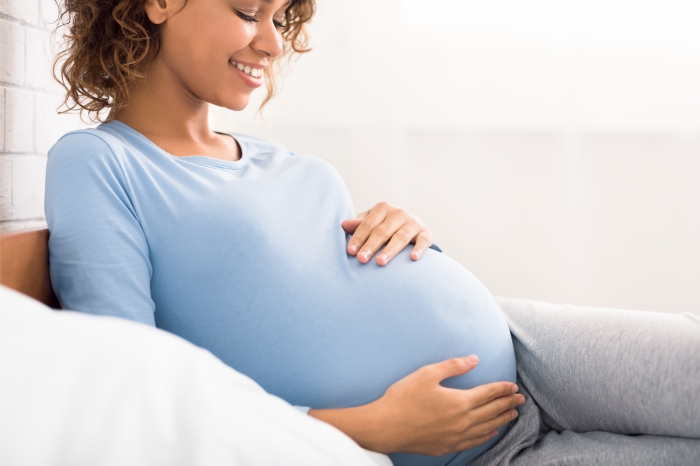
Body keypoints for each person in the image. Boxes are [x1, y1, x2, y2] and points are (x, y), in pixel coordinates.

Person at [45, 0, 700, 465]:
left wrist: (410, 238)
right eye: (248, 13)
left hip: (530, 345)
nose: (272, 44)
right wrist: (365, 429)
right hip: (473, 455)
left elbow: (325, 281)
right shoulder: (101, 163)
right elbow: (128, 388)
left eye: (278, 19)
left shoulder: (271, 156)